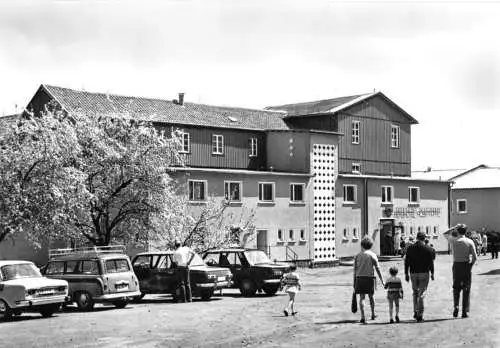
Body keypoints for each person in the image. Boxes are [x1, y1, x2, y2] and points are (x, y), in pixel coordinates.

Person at [444, 224, 477, 318]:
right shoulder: (469, 241)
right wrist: (470, 265)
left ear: (458, 231)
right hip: (466, 265)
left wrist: (455, 227)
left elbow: (445, 234)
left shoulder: (454, 240)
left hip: (456, 265)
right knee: (466, 289)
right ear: (466, 231)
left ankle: (456, 306)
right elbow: (475, 257)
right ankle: (464, 311)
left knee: (456, 288)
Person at [404, 231, 435, 322]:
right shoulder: (428, 249)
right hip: (424, 273)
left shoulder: (410, 248)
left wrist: (406, 273)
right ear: (424, 238)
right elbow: (431, 263)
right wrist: (432, 273)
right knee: (422, 294)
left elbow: (407, 262)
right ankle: (420, 314)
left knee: (415, 293)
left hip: (413, 273)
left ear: (417, 238)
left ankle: (415, 311)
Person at [353, 236, 385, 324]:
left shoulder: (358, 255)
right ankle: (373, 314)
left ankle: (363, 316)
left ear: (362, 245)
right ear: (370, 245)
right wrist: (382, 280)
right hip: (369, 278)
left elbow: (355, 270)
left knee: (362, 298)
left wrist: (354, 282)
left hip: (359, 278)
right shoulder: (372, 255)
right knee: (371, 296)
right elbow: (377, 268)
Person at [172, 239, 195, 303]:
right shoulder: (186, 249)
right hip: (186, 266)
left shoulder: (176, 252)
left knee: (182, 284)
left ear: (175, 246)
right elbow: (193, 254)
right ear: (181, 244)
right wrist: (189, 261)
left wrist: (179, 264)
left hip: (180, 267)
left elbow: (175, 262)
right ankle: (190, 299)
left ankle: (184, 299)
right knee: (187, 283)